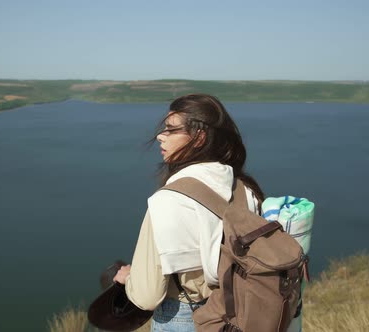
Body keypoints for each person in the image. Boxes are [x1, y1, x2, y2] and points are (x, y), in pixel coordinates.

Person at [113, 93, 265, 331]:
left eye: (171, 129)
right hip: (240, 311)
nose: (161, 137)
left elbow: (147, 296)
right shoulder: (245, 189)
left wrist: (128, 279)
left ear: (199, 137)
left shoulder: (169, 200)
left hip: (183, 318)